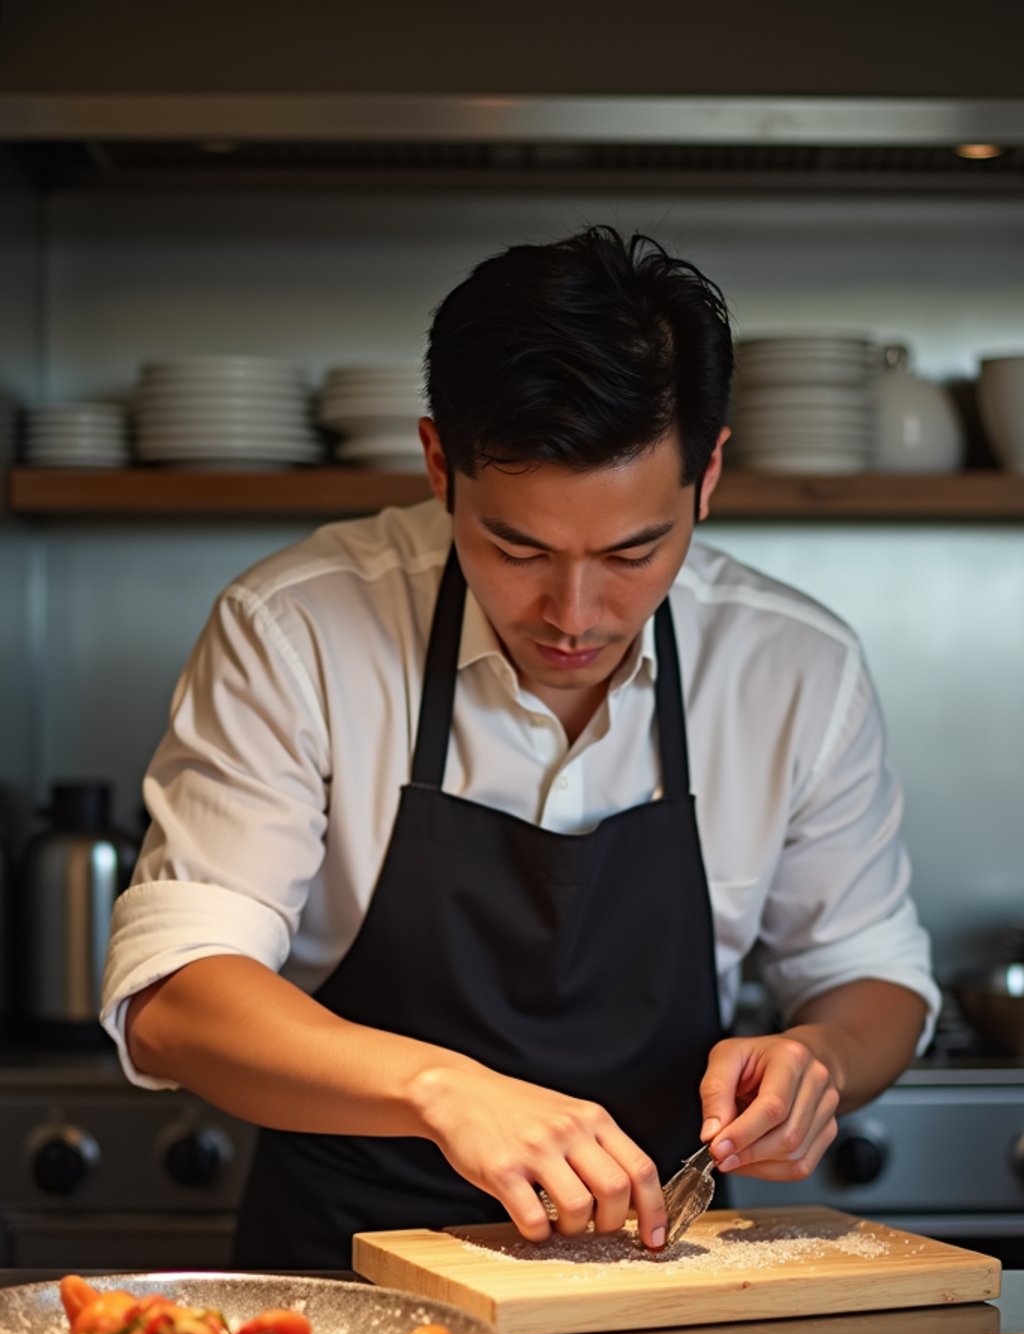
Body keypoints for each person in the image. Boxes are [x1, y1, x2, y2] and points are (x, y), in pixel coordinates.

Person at [101, 226, 939, 1268]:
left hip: (656, 1264)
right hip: (342, 1266)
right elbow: (174, 1003)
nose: (574, 613)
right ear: (438, 462)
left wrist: (819, 1057)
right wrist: (439, 1090)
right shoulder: (298, 628)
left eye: (635, 550)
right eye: (517, 547)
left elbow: (871, 976)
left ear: (708, 475)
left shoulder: (792, 664)